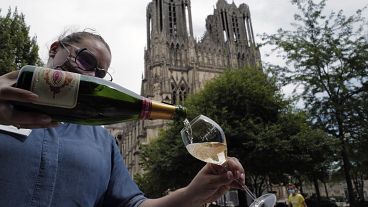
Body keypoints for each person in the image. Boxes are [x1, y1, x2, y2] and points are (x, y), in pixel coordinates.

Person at [0, 31, 245, 207]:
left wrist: (194, 192)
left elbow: (132, 203)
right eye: (86, 60)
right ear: (55, 49)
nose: (90, 75)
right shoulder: (4, 99)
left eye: (99, 74)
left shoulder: (102, 142)